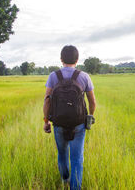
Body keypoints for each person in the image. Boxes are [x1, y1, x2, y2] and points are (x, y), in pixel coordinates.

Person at [43, 45, 97, 190]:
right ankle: (75, 187)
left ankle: (64, 180)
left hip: (59, 123)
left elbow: (47, 100)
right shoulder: (84, 76)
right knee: (77, 158)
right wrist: (90, 117)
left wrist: (46, 121)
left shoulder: (53, 76)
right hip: (79, 123)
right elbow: (92, 102)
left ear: (61, 59)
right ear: (77, 59)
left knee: (62, 154)